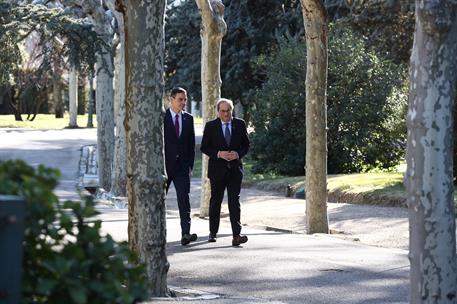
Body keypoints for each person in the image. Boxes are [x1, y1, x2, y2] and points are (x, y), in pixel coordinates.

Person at [200, 98, 250, 246]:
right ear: (218, 112)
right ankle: (212, 233)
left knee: (234, 202)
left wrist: (238, 154)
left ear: (231, 110)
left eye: (228, 110)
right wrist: (219, 154)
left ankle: (236, 235)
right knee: (216, 201)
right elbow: (204, 147)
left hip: (235, 170)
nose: (226, 113)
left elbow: (246, 145)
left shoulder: (239, 124)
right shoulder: (211, 126)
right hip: (217, 170)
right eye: (223, 111)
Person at [164, 87, 197, 245]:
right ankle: (156, 234)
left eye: (185, 99)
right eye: (180, 99)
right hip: (163, 167)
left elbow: (191, 145)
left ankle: (186, 234)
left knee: (184, 201)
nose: (183, 102)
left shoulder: (188, 119)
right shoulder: (161, 118)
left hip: (182, 168)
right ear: (171, 99)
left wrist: (190, 166)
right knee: (158, 201)